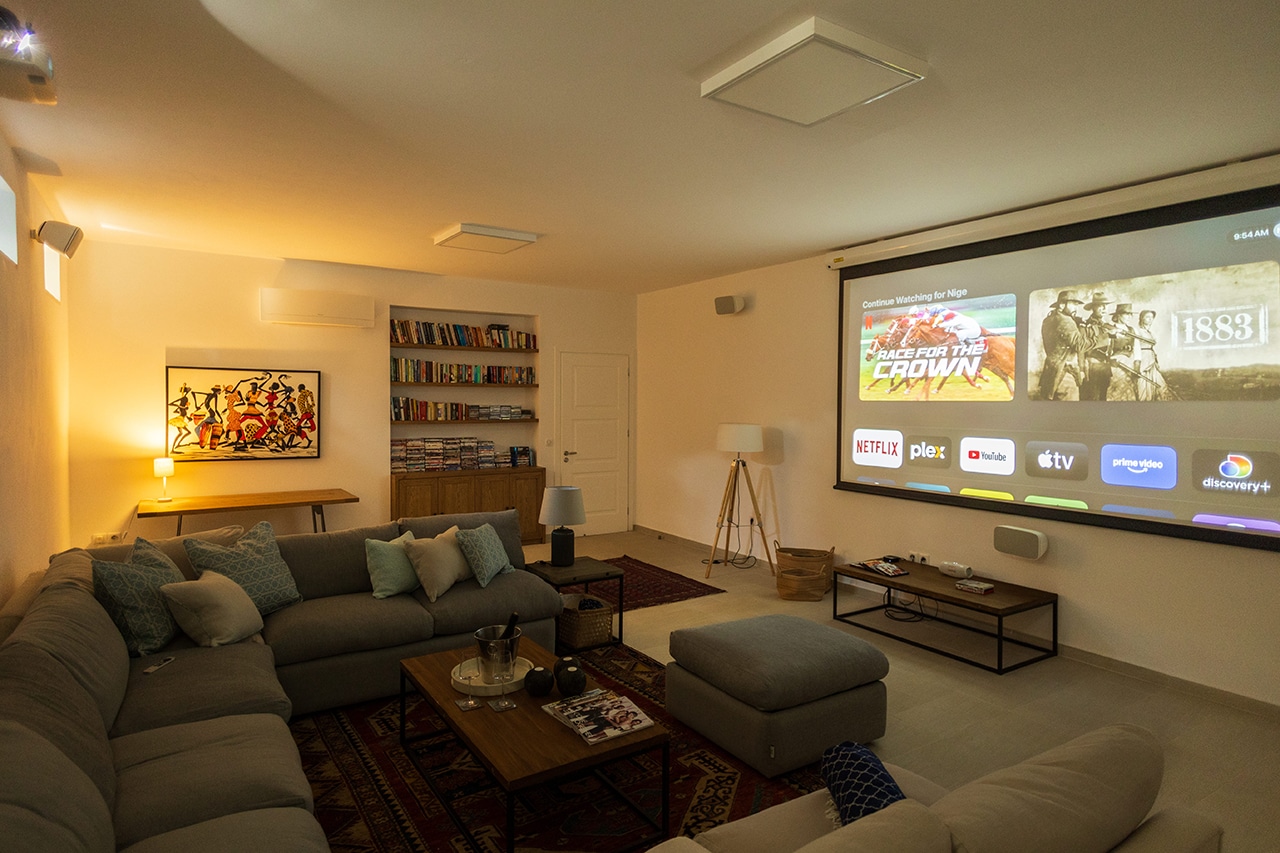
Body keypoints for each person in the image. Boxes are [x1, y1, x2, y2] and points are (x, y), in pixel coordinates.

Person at [1038, 291, 1084, 400]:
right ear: (1062, 305)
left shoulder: (1048, 320)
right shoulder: (1067, 321)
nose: (1076, 308)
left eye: (1077, 305)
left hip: (1050, 373)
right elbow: (1080, 345)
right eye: (1073, 304)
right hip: (1064, 375)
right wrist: (1085, 330)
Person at [1079, 292, 1113, 401]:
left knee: (1103, 400)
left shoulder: (1108, 326)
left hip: (1105, 367)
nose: (1104, 308)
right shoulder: (1085, 326)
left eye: (1106, 305)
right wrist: (1081, 370)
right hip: (1091, 368)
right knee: (1090, 400)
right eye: (1101, 306)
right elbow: (1081, 349)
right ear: (1093, 307)